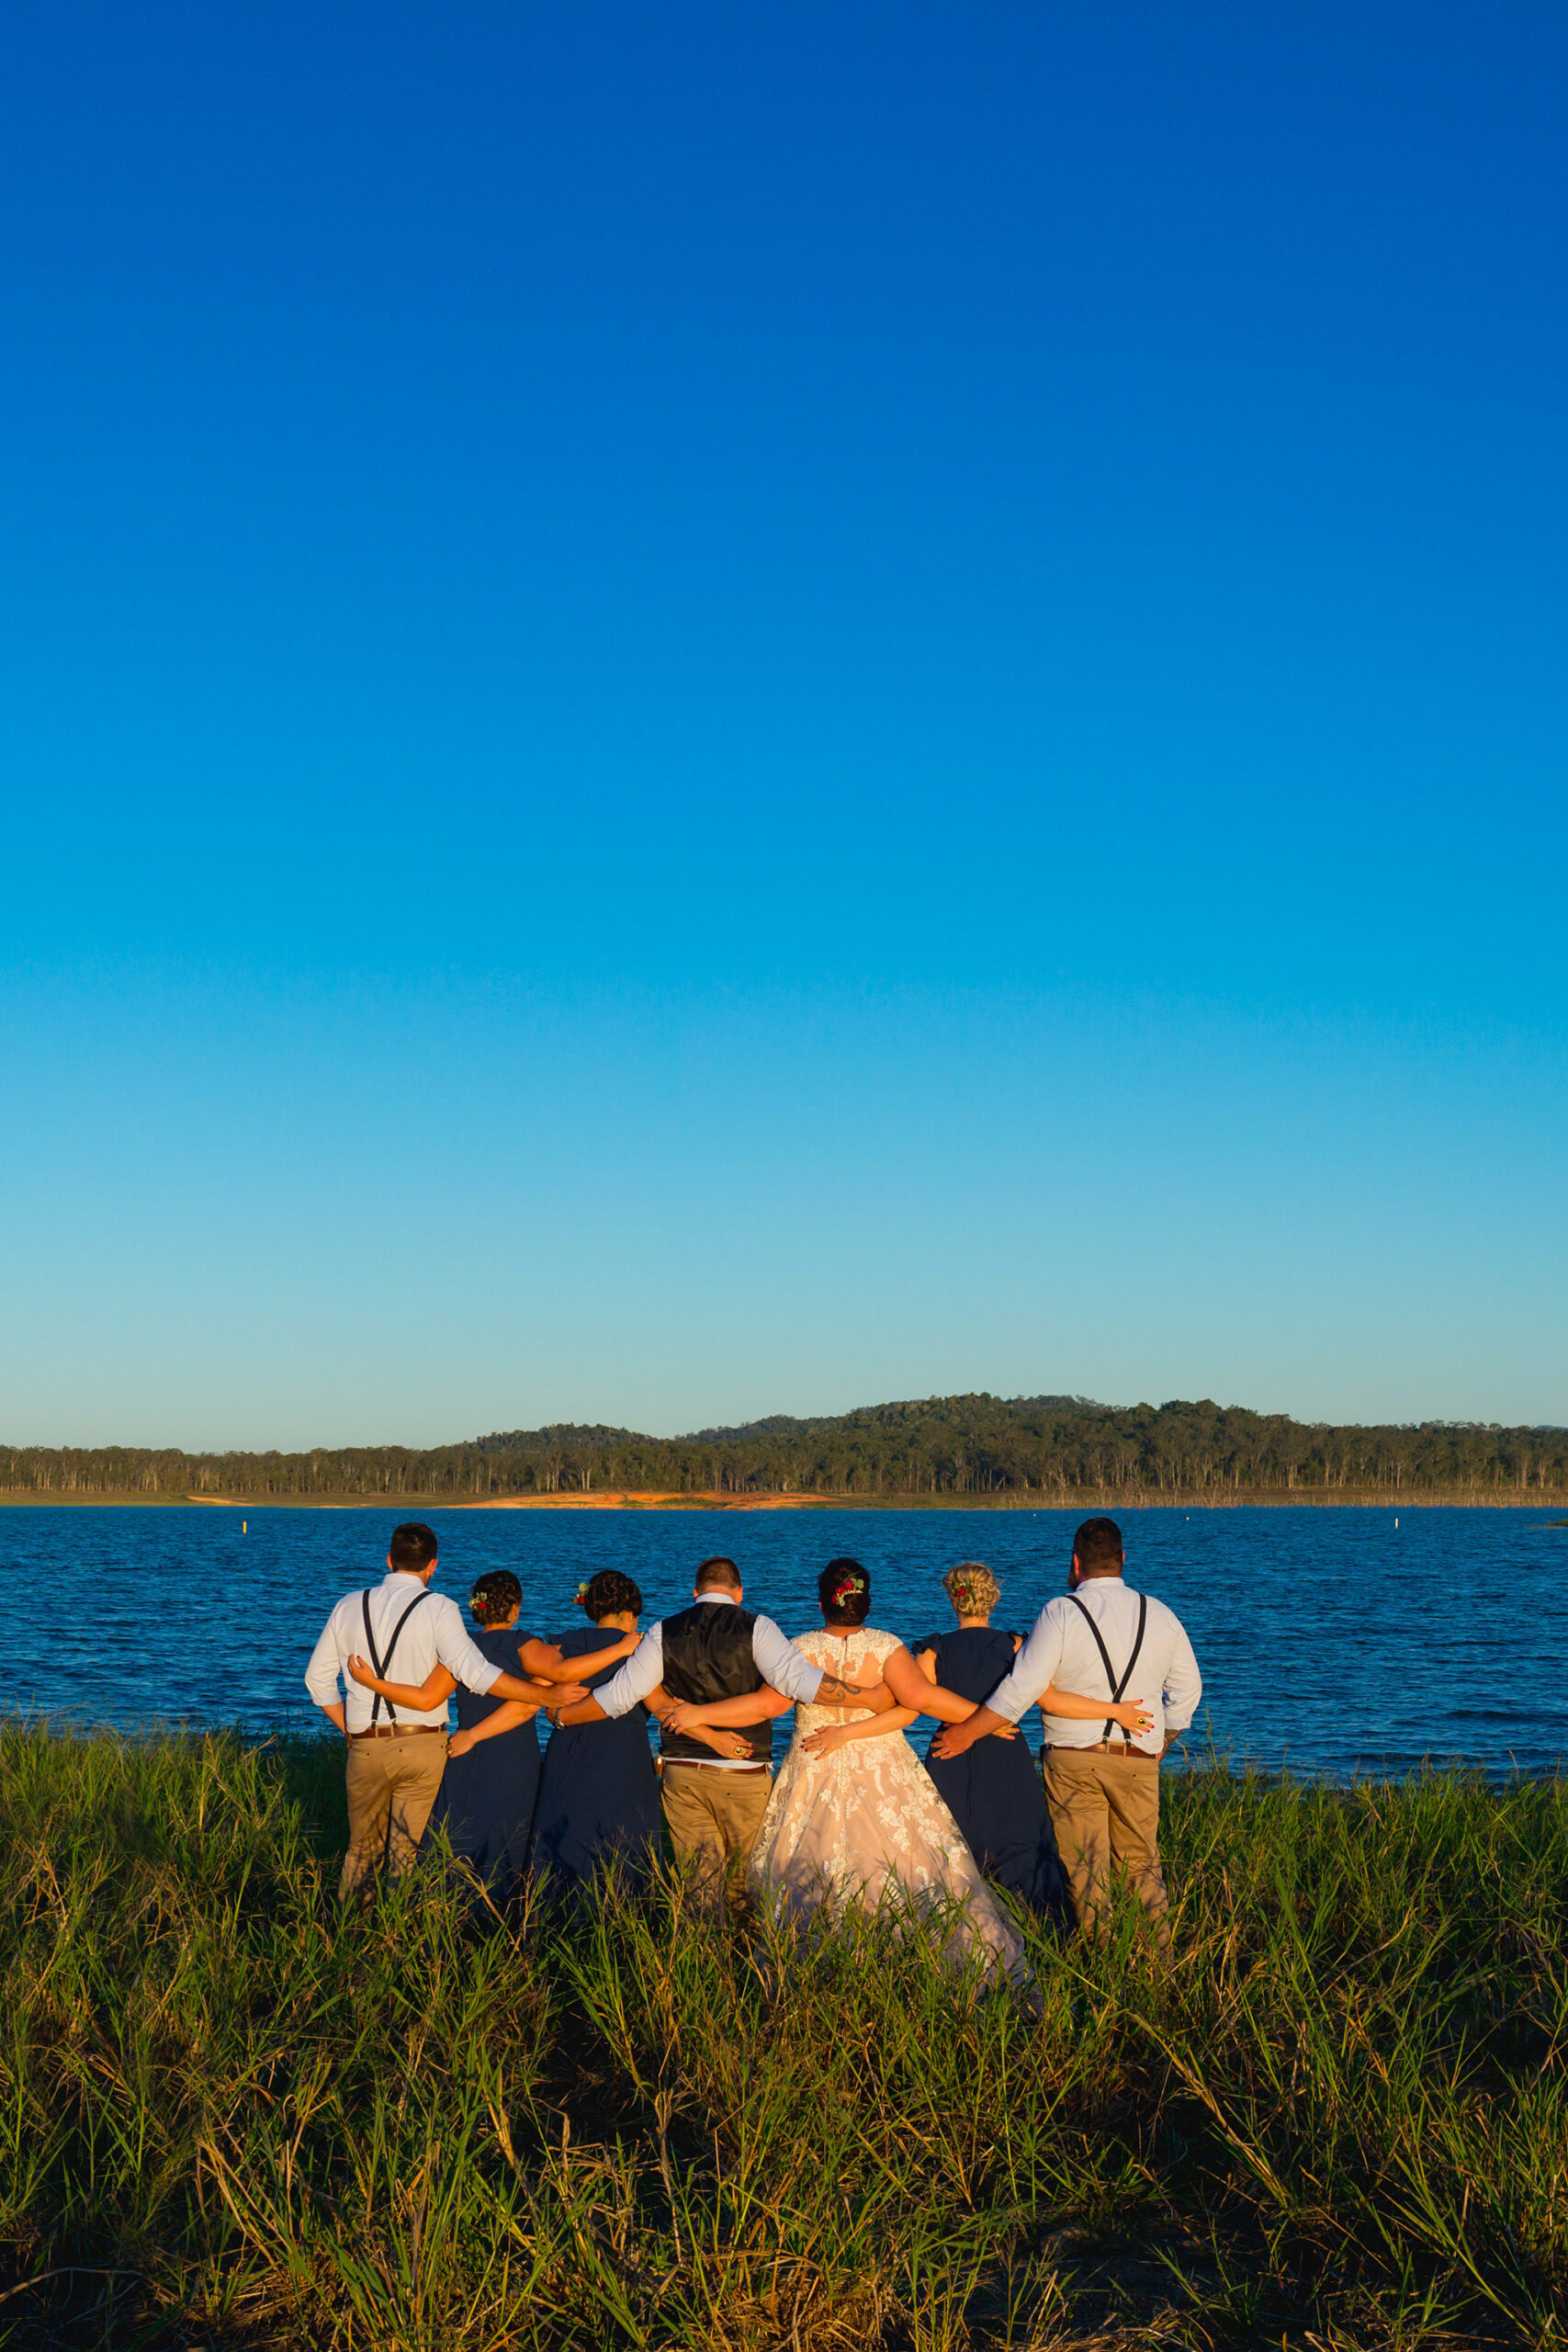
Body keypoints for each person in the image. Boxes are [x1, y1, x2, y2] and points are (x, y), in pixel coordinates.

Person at [739, 1560, 1031, 1983]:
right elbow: (918, 1702)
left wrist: (698, 1719)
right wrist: (988, 1720)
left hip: (812, 1768)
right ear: (866, 1603)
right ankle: (907, 1966)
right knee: (905, 1864)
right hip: (883, 1769)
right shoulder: (885, 1646)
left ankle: (815, 1972)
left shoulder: (798, 1648)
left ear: (821, 1602)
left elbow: (770, 1706)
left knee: (808, 1865)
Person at [554, 1554, 882, 1915]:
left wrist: (564, 1715)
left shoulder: (662, 1631)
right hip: (744, 1775)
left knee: (698, 1888)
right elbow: (799, 1682)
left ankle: (705, 1961)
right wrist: (868, 1697)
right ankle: (746, 1963)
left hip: (684, 1777)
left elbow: (620, 1695)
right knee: (747, 1887)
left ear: (695, 1592)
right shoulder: (759, 1628)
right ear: (739, 1593)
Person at [930, 1516, 1201, 1943]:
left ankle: (1101, 1962)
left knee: (1086, 1868)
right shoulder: (1161, 1614)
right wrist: (1161, 1742)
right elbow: (1187, 1691)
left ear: (1076, 1563)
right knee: (1143, 1865)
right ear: (1122, 1560)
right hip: (1139, 1760)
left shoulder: (1060, 1611)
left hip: (1074, 1758)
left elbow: (1022, 1688)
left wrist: (967, 1732)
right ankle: (1158, 1966)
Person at [303, 1521, 575, 1904]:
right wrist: (542, 1695)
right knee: (408, 1853)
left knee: (361, 1851)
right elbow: (475, 1672)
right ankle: (399, 1937)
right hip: (422, 1746)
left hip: (364, 1746)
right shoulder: (439, 1607)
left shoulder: (348, 1605)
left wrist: (349, 1730)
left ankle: (350, 1938)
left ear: (389, 1560)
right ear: (433, 1565)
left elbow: (317, 1681)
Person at [344, 1567, 628, 1911]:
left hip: (462, 1755)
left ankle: (438, 1915)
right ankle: (501, 1919)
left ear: (478, 1608)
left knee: (457, 1840)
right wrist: (622, 1648)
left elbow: (425, 1698)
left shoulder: (461, 1648)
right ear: (514, 1609)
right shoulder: (524, 1644)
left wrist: (372, 1683)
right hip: (511, 1760)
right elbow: (563, 1674)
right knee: (506, 1841)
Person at [527, 1570, 756, 1894]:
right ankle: (624, 1921)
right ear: (629, 1613)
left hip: (568, 1754)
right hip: (622, 1758)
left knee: (565, 1836)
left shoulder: (564, 1644)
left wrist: (554, 1712)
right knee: (624, 1842)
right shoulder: (639, 1651)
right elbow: (662, 1707)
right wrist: (713, 1737)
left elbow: (533, 1696)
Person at [913, 1562, 1067, 1916]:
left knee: (952, 1838)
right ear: (992, 1599)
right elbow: (1052, 1701)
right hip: (1006, 1751)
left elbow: (916, 1701)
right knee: (1019, 1836)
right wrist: (1114, 1711)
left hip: (949, 1749)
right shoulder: (1015, 1646)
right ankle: (1035, 1919)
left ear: (954, 1599)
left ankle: (952, 1922)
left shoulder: (934, 1650)